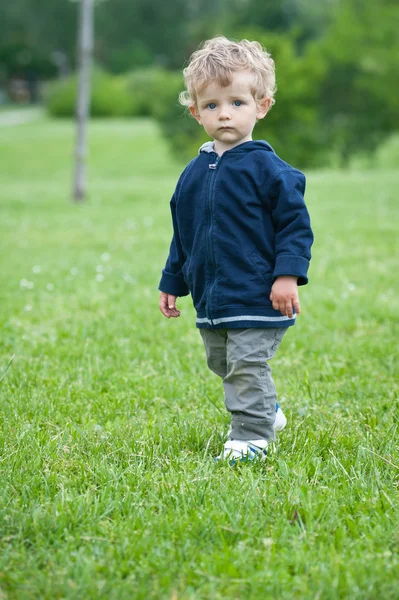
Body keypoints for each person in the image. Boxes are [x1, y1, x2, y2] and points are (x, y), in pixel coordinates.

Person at [159, 36, 314, 462]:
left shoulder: (270, 170)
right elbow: (183, 232)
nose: (224, 113)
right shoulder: (193, 174)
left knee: (247, 365)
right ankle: (267, 409)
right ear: (195, 112)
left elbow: (295, 227)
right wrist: (172, 280)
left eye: (237, 102)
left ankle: (251, 437)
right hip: (212, 294)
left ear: (261, 106)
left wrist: (287, 276)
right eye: (211, 105)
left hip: (258, 293)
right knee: (222, 363)